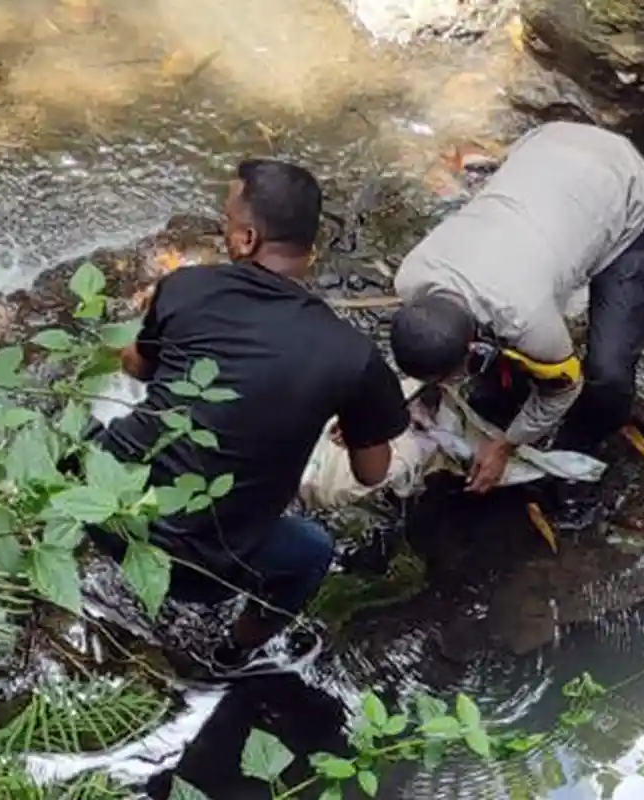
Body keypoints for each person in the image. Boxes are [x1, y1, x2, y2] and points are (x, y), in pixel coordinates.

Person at [90, 159, 410, 673]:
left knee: (99, 426)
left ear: (247, 238)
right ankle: (231, 654)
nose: (223, 229)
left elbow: (136, 367)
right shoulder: (351, 354)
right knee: (313, 552)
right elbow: (372, 472)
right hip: (202, 572)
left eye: (226, 219)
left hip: (104, 509)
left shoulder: (186, 287)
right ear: (309, 247)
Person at [389, 121, 644, 529]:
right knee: (500, 382)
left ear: (471, 346)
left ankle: (581, 449)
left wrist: (506, 445)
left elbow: (564, 386)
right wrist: (387, 406)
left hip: (621, 185)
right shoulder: (411, 277)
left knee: (607, 373)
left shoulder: (523, 318)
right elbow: (423, 344)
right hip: (546, 148)